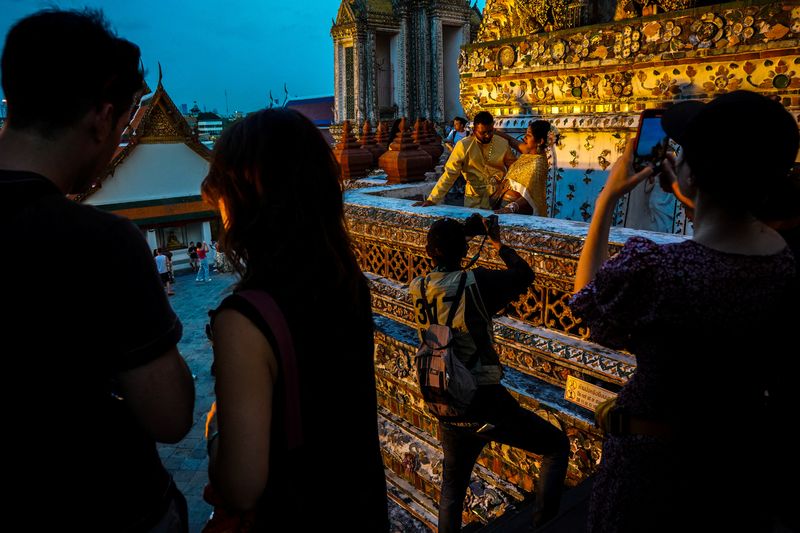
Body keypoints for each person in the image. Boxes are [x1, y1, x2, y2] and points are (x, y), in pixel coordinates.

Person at [569, 90, 799, 533]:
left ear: (694, 175)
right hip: (732, 460)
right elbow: (729, 237)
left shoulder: (659, 268)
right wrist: (688, 193)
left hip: (651, 470)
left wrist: (606, 202)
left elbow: (588, 301)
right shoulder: (783, 260)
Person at [0, 8, 195, 531]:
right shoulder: (101, 243)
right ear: (101, 116)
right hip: (103, 505)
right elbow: (170, 416)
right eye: (125, 122)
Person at [201, 108, 389, 531]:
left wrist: (215, 431)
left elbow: (242, 486)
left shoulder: (244, 319)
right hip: (357, 509)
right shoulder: (347, 283)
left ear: (244, 198)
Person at [409, 215, 569, 532]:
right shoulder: (475, 282)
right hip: (484, 401)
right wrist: (497, 243)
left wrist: (462, 235)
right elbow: (524, 275)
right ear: (463, 249)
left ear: (430, 252)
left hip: (443, 397)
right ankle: (546, 525)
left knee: (452, 489)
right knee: (555, 447)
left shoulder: (418, 286)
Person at [415, 111, 517, 209]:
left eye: (490, 131)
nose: (487, 135)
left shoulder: (502, 143)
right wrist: (432, 199)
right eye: (483, 132)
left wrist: (506, 185)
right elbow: (450, 173)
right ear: (474, 130)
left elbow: (514, 168)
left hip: (499, 197)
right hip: (474, 198)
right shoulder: (464, 145)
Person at [493, 120, 551, 215]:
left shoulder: (538, 163)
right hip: (504, 202)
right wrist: (494, 132)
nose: (524, 138)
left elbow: (533, 195)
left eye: (529, 135)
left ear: (540, 141)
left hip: (515, 209)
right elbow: (511, 140)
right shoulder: (529, 152)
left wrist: (511, 208)